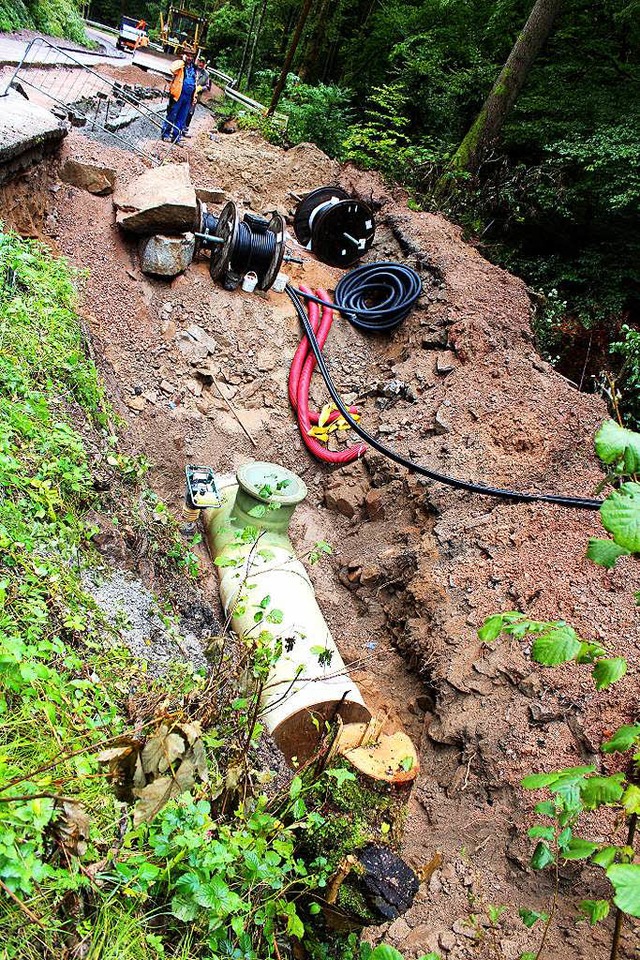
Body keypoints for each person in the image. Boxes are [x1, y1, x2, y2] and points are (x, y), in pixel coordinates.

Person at [161, 45, 197, 144]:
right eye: (188, 55)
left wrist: (194, 97)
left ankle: (176, 137)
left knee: (182, 118)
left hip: (188, 97)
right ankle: (165, 134)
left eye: (191, 56)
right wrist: (183, 61)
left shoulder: (193, 68)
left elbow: (195, 82)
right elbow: (172, 69)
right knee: (172, 114)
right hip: (178, 95)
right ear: (184, 55)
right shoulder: (179, 64)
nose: (190, 58)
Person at [184, 56, 211, 133]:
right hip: (186, 93)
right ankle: (178, 127)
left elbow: (208, 86)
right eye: (200, 62)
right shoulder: (191, 69)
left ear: (204, 64)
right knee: (182, 109)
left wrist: (201, 88)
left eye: (203, 63)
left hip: (195, 96)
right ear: (197, 61)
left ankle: (185, 127)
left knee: (190, 111)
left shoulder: (206, 74)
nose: (201, 64)